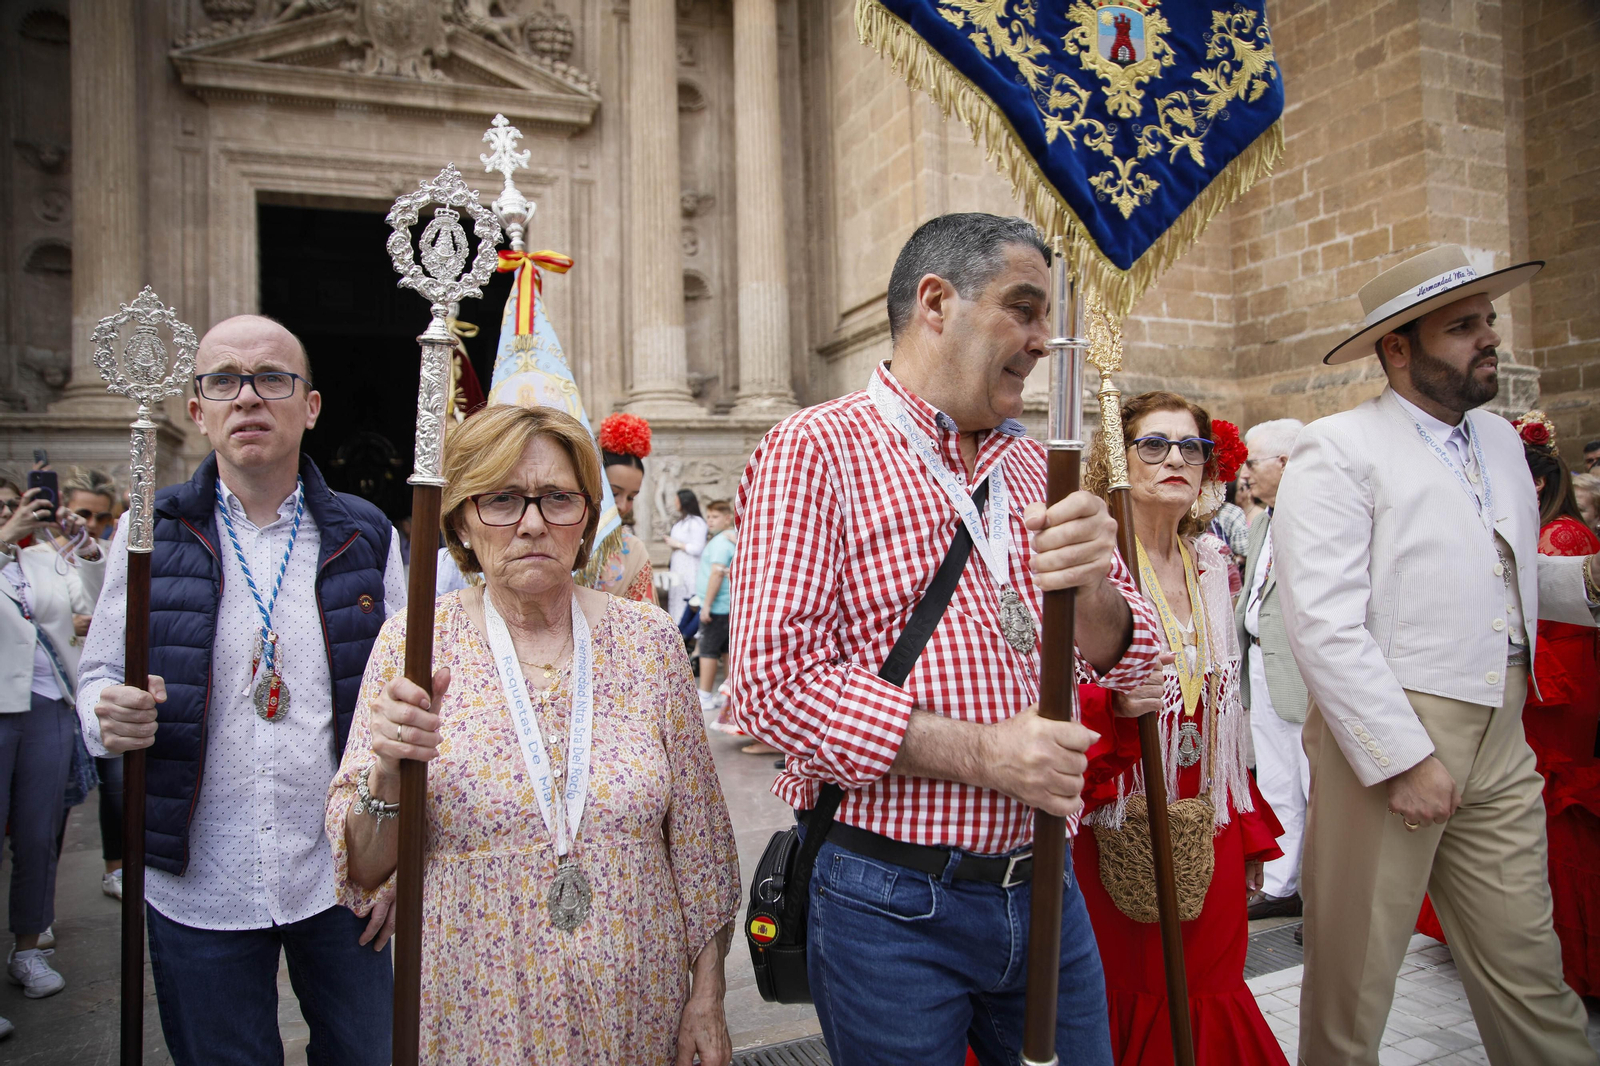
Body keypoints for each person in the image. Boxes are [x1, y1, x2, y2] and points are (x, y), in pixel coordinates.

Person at [730, 212, 1162, 1066]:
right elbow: (772, 685)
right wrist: (987, 755)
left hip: (1044, 883)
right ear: (936, 302)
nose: (1045, 342)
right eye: (1025, 309)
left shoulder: (1042, 465)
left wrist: (1095, 590)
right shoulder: (816, 449)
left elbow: (1137, 659)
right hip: (889, 900)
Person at [328, 403, 740, 1064]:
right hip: (477, 1006)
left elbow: (700, 845)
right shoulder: (415, 642)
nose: (531, 523)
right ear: (462, 516)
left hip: (637, 1003)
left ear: (586, 515)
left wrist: (708, 999)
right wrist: (386, 768)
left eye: (557, 499)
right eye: (502, 500)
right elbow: (366, 865)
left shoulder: (650, 642)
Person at [1276, 244, 1600, 1066]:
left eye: (1489, 321)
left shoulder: (1497, 441)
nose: (1488, 337)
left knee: (1529, 969)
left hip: (1504, 731)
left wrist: (1585, 584)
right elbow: (1321, 622)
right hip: (1390, 732)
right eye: (1463, 326)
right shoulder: (1338, 447)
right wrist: (1403, 757)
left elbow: (1496, 577)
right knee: (1354, 989)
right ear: (1397, 348)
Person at [77, 315, 403, 1066]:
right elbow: (98, 677)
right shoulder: (148, 531)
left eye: (272, 379)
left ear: (310, 405)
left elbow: (404, 704)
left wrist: (394, 859)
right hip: (199, 879)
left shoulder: (367, 535)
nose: (247, 397)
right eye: (223, 380)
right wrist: (109, 713)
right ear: (197, 410)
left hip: (338, 877)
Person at [1074, 391, 1286, 1066]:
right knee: (1124, 989)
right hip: (1114, 820)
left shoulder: (1212, 566)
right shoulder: (1094, 571)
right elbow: (1042, 696)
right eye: (1154, 444)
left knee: (1210, 989)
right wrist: (1111, 708)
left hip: (1206, 823)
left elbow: (1226, 712)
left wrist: (1244, 822)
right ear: (1117, 459)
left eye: (1191, 446)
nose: (1175, 459)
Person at [0, 481, 104, 1026]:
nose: (11, 516)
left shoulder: (45, 559)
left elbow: (94, 599)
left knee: (40, 835)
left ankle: (28, 950)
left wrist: (84, 549)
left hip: (46, 706)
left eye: (13, 505)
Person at [1233, 419, 1311, 922]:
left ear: (1284, 463)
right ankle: (1283, 886)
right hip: (1261, 659)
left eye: (1252, 461)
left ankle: (1324, 899)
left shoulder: (1317, 518)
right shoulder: (1263, 519)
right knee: (1278, 780)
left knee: (1316, 784)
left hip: (1304, 672)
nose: (1244, 473)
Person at [56, 467, 125, 900]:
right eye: (85, 515)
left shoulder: (105, 551)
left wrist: (89, 551)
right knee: (49, 806)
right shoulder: (31, 555)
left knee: (116, 789)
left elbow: (109, 606)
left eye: (102, 518)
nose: (93, 526)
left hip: (106, 688)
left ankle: (115, 867)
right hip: (54, 691)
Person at [594, 411, 655, 602]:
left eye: (631, 497)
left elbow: (644, 618)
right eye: (614, 494)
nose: (622, 505)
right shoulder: (559, 539)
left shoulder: (633, 549)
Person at [695, 500, 735, 713]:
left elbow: (718, 573)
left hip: (717, 606)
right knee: (726, 650)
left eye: (715, 516)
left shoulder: (721, 542)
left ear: (727, 518)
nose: (710, 520)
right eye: (708, 516)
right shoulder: (728, 540)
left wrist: (707, 605)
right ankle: (725, 693)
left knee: (708, 651)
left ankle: (705, 694)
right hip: (727, 606)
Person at [664, 488, 707, 631]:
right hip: (678, 565)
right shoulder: (681, 522)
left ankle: (690, 632)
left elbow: (697, 548)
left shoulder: (696, 522)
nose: (675, 503)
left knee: (688, 595)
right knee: (677, 596)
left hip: (690, 566)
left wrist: (677, 544)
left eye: (677, 500)